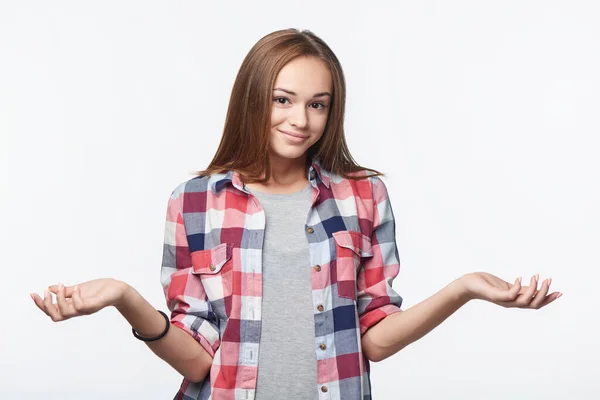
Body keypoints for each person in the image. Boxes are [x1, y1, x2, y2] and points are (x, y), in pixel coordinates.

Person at [31, 28, 562, 400]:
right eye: (282, 99)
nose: (301, 120)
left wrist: (464, 289)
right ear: (253, 99)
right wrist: (126, 299)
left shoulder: (363, 197)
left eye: (318, 103)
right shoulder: (193, 200)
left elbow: (373, 336)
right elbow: (197, 359)